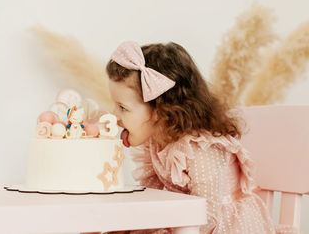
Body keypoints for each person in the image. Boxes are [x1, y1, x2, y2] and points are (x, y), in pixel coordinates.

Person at [100, 41, 299, 234]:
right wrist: (132, 225)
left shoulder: (200, 148)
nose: (114, 115)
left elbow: (207, 214)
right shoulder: (156, 141)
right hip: (184, 223)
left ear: (159, 110)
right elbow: (154, 199)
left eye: (123, 108)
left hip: (221, 226)